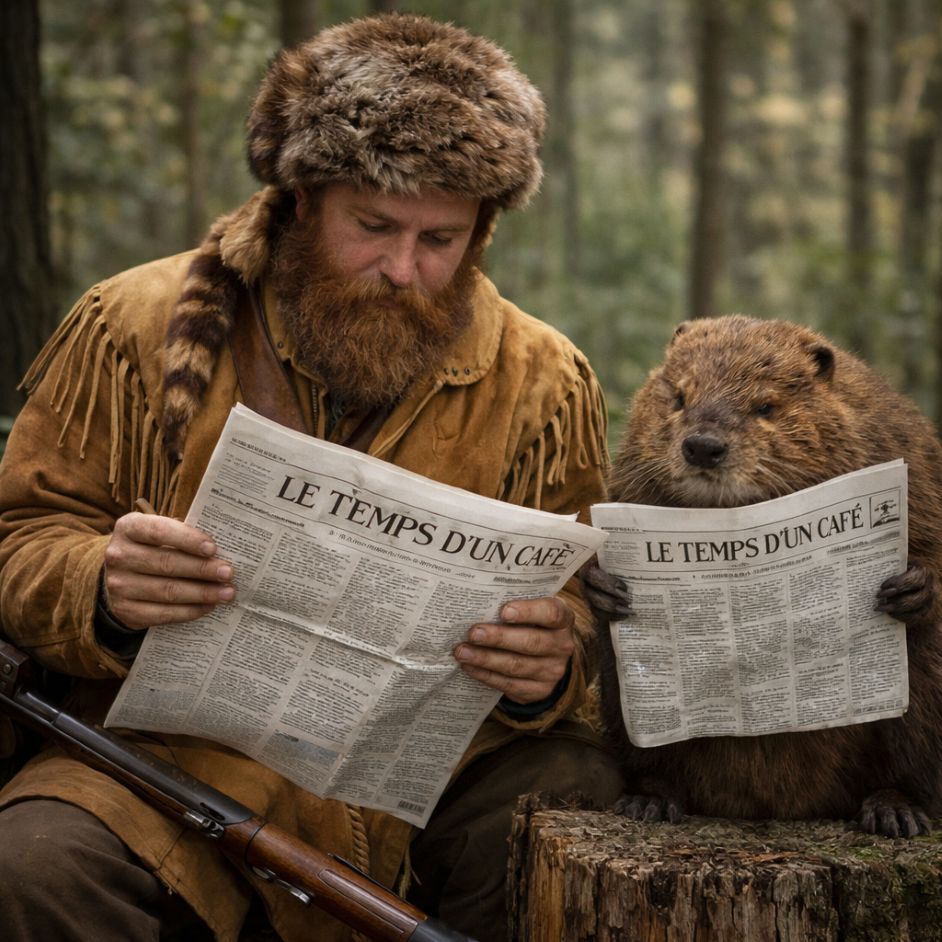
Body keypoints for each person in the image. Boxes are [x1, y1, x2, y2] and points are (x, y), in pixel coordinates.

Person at [0, 13, 623, 941]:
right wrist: (103, 588)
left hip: (428, 771)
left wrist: (549, 660)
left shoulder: (542, 378)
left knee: (575, 801)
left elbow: (585, 605)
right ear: (301, 200)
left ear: (482, 229)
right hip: (168, 757)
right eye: (373, 227)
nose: (402, 270)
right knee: (33, 868)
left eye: (439, 240)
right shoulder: (130, 324)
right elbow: (22, 537)